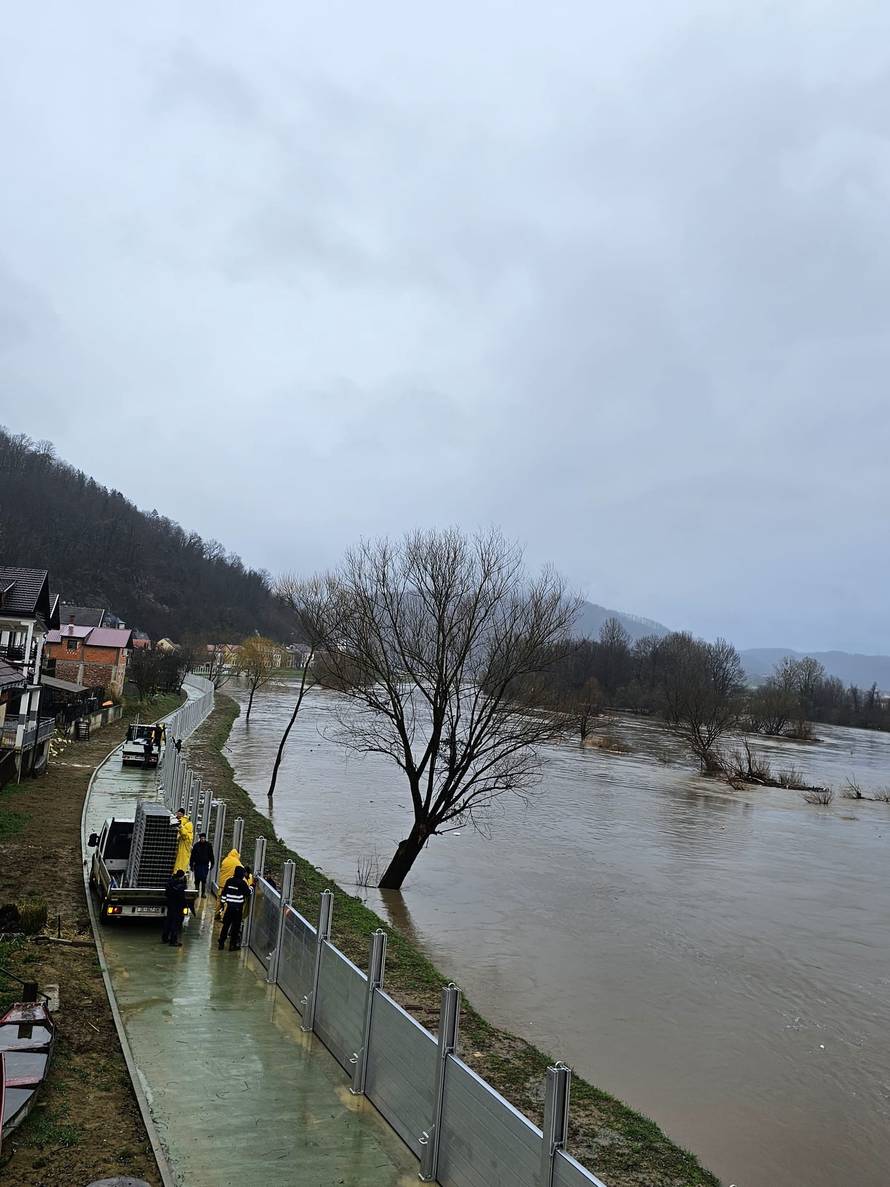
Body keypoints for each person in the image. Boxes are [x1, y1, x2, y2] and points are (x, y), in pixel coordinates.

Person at [218, 866, 251, 951]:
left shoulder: (229, 881)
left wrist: (223, 903)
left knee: (226, 925)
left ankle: (221, 942)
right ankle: (232, 945)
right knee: (235, 927)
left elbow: (224, 892)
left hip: (229, 907)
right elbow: (248, 893)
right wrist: (252, 886)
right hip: (238, 908)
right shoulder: (242, 883)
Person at [162, 870, 189, 946]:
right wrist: (185, 905)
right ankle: (173, 941)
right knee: (176, 923)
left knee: (168, 921)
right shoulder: (180, 885)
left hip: (170, 904)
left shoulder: (170, 882)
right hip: (178, 906)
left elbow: (166, 894)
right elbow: (181, 897)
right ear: (181, 877)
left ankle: (165, 938)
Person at [189, 832, 215, 897]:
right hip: (197, 865)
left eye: (204, 838)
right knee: (197, 879)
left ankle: (203, 893)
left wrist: (212, 863)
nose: (203, 839)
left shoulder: (208, 845)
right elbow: (192, 856)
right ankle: (196, 892)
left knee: (204, 879)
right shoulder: (196, 845)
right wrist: (191, 865)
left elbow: (211, 855)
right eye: (201, 838)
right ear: (200, 838)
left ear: (205, 838)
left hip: (205, 865)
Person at [174, 808, 193, 874]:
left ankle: (177, 873)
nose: (178, 815)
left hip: (183, 846)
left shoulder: (187, 824)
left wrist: (180, 828)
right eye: (178, 813)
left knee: (181, 861)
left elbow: (185, 835)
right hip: (180, 845)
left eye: (180, 814)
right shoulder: (178, 821)